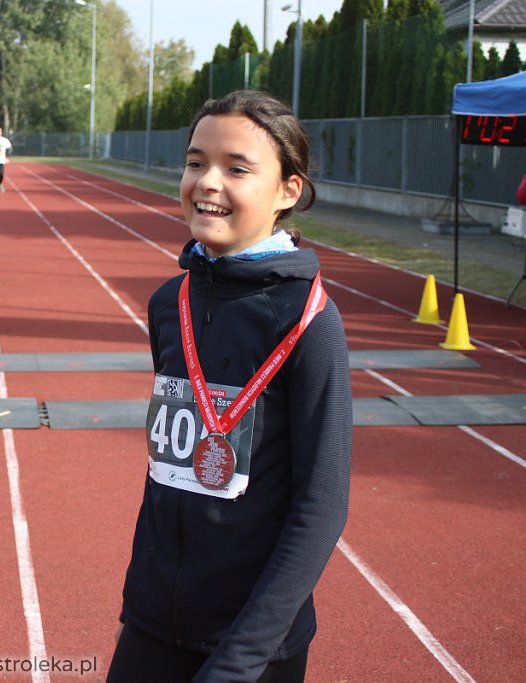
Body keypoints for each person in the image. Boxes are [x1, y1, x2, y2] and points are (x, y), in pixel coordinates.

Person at [108, 90, 352, 683]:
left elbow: (320, 507)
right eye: (196, 162)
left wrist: (242, 659)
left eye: (237, 168)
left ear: (288, 192)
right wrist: (142, 599)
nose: (207, 182)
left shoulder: (308, 320)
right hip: (151, 625)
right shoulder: (170, 303)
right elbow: (169, 472)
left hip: (251, 647)